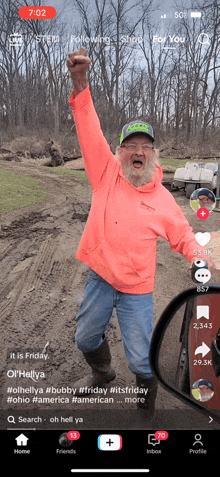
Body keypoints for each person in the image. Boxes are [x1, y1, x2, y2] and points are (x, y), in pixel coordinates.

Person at [66, 47, 208, 417]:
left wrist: (199, 259)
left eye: (145, 146)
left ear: (154, 155)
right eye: (131, 146)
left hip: (137, 289)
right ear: (120, 152)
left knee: (144, 359)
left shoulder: (162, 199)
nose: (138, 151)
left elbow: (184, 236)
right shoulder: (104, 173)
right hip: (100, 277)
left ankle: (146, 393)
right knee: (85, 337)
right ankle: (102, 373)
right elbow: (89, 127)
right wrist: (80, 81)